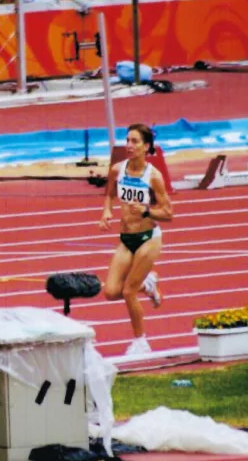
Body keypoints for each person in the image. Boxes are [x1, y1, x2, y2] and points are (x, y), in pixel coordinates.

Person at [99, 123, 171, 356]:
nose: (129, 146)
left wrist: (147, 212)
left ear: (146, 146)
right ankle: (148, 284)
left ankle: (141, 341)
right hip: (126, 238)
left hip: (149, 238)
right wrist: (106, 212)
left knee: (129, 291)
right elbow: (109, 194)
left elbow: (168, 213)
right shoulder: (117, 169)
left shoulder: (154, 177)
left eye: (135, 141)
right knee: (110, 292)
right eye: (127, 140)